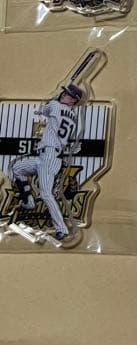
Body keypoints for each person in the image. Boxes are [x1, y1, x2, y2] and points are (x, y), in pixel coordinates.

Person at [12, 83, 83, 242]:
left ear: (74, 101)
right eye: (64, 93)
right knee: (17, 168)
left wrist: (53, 98)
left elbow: (42, 109)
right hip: (48, 156)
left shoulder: (55, 105)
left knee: (45, 194)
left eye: (68, 95)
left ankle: (62, 229)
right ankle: (29, 202)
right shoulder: (73, 116)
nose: (64, 95)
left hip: (50, 156)